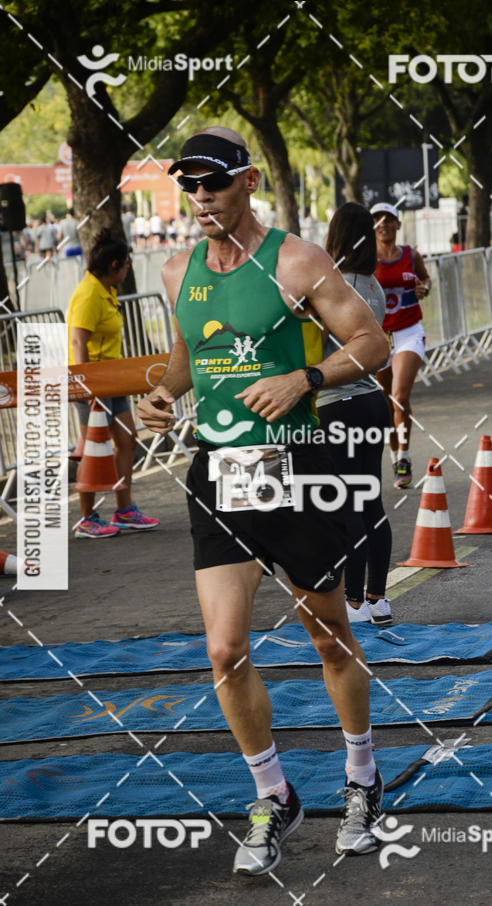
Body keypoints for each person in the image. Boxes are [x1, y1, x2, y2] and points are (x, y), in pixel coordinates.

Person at [138, 127, 389, 875]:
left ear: (247, 181)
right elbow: (186, 363)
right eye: (190, 185)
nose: (201, 197)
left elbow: (371, 343)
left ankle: (362, 778)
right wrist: (160, 395)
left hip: (297, 466)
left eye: (213, 182)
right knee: (223, 648)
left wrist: (305, 380)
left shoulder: (296, 260)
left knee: (327, 635)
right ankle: (274, 795)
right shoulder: (177, 267)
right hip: (219, 473)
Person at [317, 202, 392, 627]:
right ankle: (378, 599)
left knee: (345, 504)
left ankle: (353, 601)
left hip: (337, 406)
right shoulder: (374, 289)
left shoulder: (332, 287)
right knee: (370, 500)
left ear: (336, 237)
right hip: (371, 403)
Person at [67, 228, 160, 537]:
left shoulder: (107, 290)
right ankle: (87, 518)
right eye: (127, 264)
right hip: (92, 383)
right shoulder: (89, 293)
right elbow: (79, 341)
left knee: (127, 438)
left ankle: (124, 510)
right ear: (114, 266)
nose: (129, 269)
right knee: (93, 448)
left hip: (113, 381)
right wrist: (87, 385)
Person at [370, 202, 431, 488]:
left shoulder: (410, 254)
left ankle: (405, 455)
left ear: (398, 224)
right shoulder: (366, 259)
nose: (383, 224)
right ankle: (396, 458)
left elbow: (426, 280)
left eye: (389, 219)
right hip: (379, 337)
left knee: (399, 396)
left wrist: (424, 288)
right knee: (384, 403)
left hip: (408, 331)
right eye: (377, 219)